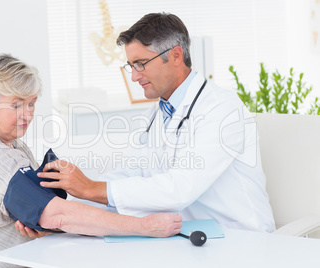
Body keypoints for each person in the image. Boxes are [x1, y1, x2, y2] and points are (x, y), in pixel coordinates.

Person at [32, 12, 276, 233]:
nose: (135, 76)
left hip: (240, 238)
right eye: (131, 66)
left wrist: (91, 188)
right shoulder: (157, 114)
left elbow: (180, 187)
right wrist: (57, 210)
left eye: (141, 63)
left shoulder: (222, 109)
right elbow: (130, 172)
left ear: (176, 56)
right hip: (188, 236)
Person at [0, 53, 182, 267]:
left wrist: (43, 221)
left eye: (31, 104)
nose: (28, 114)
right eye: (16, 104)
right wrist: (146, 226)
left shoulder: (4, 142)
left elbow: (41, 213)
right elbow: (60, 216)